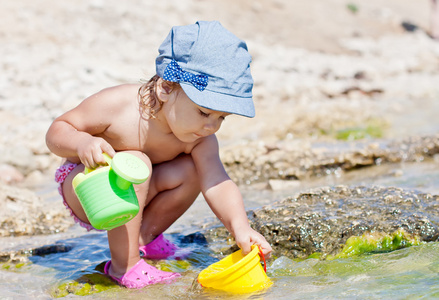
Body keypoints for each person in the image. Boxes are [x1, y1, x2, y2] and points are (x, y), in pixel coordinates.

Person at [46, 20, 272, 289]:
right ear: (165, 88)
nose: (211, 126)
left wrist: (240, 228)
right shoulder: (117, 106)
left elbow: (217, 182)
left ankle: (142, 238)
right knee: (136, 162)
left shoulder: (201, 138)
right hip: (89, 190)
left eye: (222, 117)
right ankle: (124, 265)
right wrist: (82, 142)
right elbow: (57, 131)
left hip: (138, 194)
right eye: (203, 112)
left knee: (192, 170)